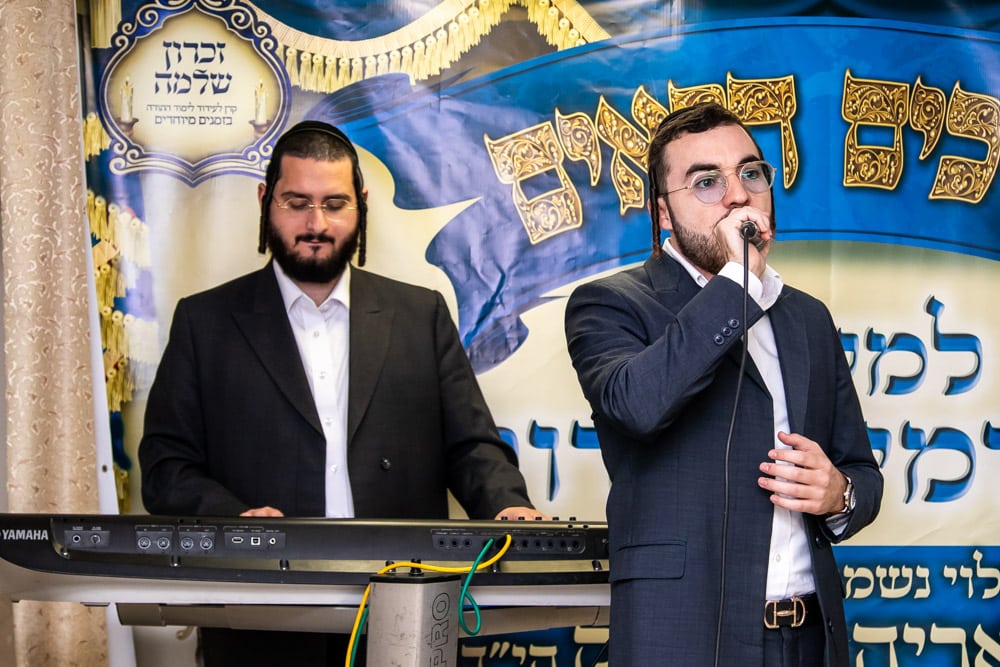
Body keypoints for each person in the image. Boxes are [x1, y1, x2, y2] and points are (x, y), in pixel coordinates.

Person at [139, 120, 544, 666]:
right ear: (265, 201)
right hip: (260, 616)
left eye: (335, 204)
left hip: (404, 614)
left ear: (362, 205)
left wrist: (508, 506)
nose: (316, 224)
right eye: (296, 203)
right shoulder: (204, 322)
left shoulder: (420, 315)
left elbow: (471, 446)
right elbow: (166, 467)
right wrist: (235, 519)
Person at [564, 102, 883, 666]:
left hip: (807, 637)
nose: (738, 196)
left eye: (751, 173)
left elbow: (861, 470)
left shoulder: (807, 317)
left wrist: (840, 494)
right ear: (663, 214)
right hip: (681, 637)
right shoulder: (611, 303)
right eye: (706, 182)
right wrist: (739, 283)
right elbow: (636, 404)